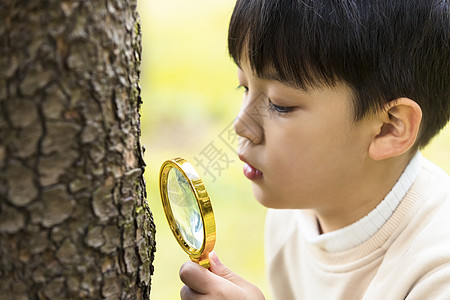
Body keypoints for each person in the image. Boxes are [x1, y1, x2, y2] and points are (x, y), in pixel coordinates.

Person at [179, 0, 450, 299]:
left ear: (388, 128)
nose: (241, 125)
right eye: (244, 87)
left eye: (281, 105)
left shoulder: (438, 271)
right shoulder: (291, 217)